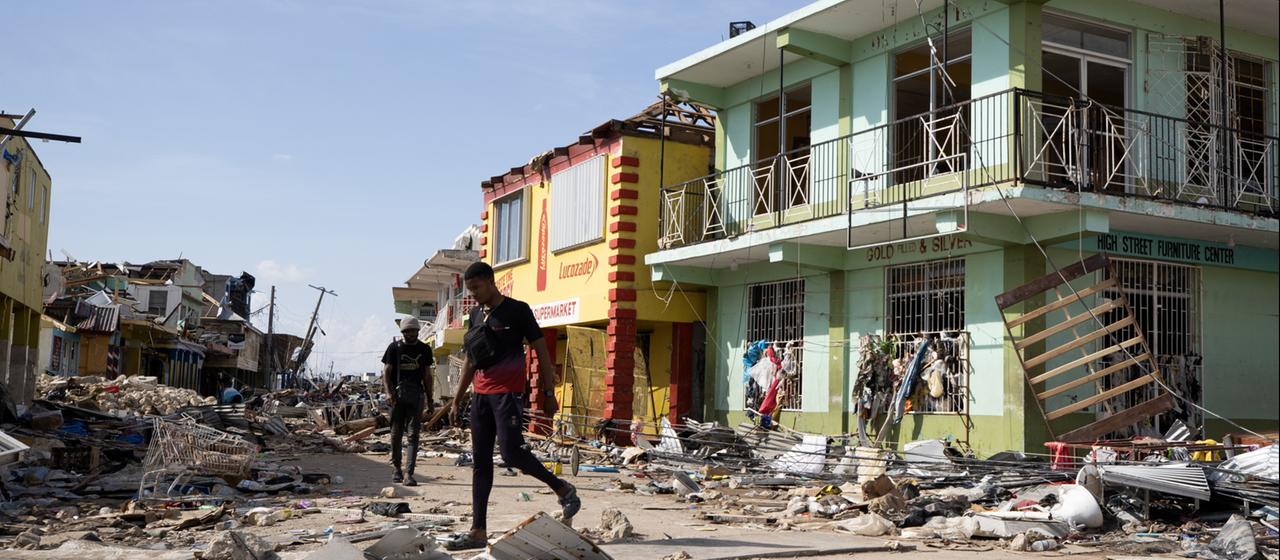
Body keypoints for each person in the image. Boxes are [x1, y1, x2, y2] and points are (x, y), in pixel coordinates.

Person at [445, 261, 580, 551]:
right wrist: (458, 399)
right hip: (481, 396)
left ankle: (563, 488)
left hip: (507, 394)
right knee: (480, 463)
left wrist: (548, 391)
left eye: (477, 288)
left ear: (491, 282)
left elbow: (541, 350)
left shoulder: (518, 310)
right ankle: (478, 531)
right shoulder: (476, 314)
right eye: (470, 290)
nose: (475, 295)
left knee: (511, 452)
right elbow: (471, 357)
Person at [381, 316, 435, 486]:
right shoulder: (394, 348)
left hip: (416, 396)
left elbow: (427, 376)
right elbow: (387, 373)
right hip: (397, 397)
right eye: (408, 331)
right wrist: (389, 393)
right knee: (396, 435)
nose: (412, 334)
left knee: (413, 436)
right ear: (403, 332)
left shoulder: (425, 349)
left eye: (414, 331)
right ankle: (397, 468)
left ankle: (408, 473)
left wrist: (430, 399)